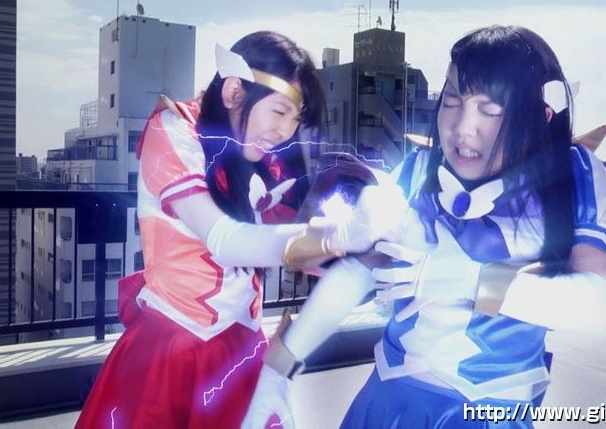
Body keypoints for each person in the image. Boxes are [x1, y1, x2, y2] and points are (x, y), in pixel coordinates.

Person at [242, 25, 606, 429]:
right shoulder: (419, 170)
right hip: (385, 401)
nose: (462, 127)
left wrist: (472, 280)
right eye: (453, 100)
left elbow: (604, 306)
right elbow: (361, 271)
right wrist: (276, 370)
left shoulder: (574, 176)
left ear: (541, 117)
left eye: (490, 109)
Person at [75, 31, 404, 429]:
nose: (285, 131)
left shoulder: (260, 155)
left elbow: (288, 243)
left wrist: (375, 251)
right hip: (171, 348)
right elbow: (226, 241)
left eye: (295, 120)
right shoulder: (173, 129)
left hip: (243, 348)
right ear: (234, 91)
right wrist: (338, 235)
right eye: (279, 112)